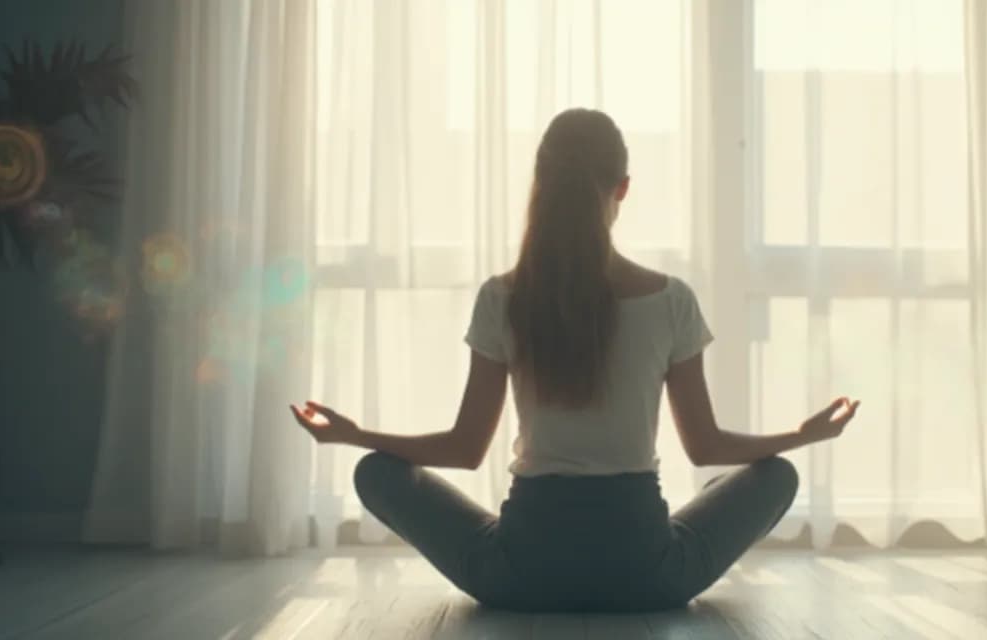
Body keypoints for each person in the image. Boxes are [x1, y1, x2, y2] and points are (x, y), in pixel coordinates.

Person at [290, 108, 860, 612]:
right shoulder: (670, 300)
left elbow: (464, 450)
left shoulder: (502, 298)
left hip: (519, 576)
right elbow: (706, 447)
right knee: (776, 475)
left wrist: (355, 434)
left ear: (540, 183)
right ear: (623, 187)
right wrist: (801, 434)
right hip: (648, 575)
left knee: (376, 471)